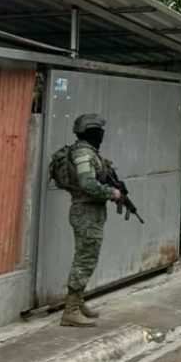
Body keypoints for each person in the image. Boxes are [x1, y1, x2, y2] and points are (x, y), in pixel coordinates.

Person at [61, 113, 123, 327]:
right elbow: (87, 184)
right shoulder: (84, 154)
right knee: (85, 259)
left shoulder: (88, 152)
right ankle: (70, 310)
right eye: (99, 131)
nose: (102, 135)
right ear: (90, 132)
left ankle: (78, 302)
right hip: (85, 212)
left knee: (88, 257)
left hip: (90, 212)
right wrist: (111, 193)